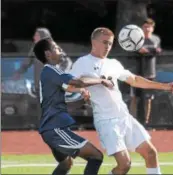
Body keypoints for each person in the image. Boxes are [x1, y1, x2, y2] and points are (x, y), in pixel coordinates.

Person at [69, 27, 173, 175]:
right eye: (105, 42)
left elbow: (134, 80)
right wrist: (99, 81)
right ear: (93, 42)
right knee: (124, 165)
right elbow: (70, 84)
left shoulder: (113, 63)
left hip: (124, 117)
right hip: (107, 121)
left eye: (110, 43)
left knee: (151, 153)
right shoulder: (83, 62)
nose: (108, 46)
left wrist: (164, 86)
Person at [33, 38, 114, 175]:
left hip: (50, 129)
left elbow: (68, 103)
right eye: (57, 48)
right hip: (55, 129)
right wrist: (101, 80)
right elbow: (79, 82)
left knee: (66, 164)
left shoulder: (49, 75)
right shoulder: (51, 71)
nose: (61, 51)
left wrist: (83, 99)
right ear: (48, 54)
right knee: (96, 156)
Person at [138, 18, 162, 124]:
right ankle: (133, 120)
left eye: (149, 26)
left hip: (150, 72)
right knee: (135, 97)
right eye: (145, 26)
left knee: (149, 98)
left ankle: (146, 121)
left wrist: (158, 51)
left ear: (152, 28)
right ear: (142, 28)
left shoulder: (156, 39)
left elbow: (158, 50)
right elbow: (131, 49)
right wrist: (139, 50)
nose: (147, 29)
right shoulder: (137, 39)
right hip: (137, 72)